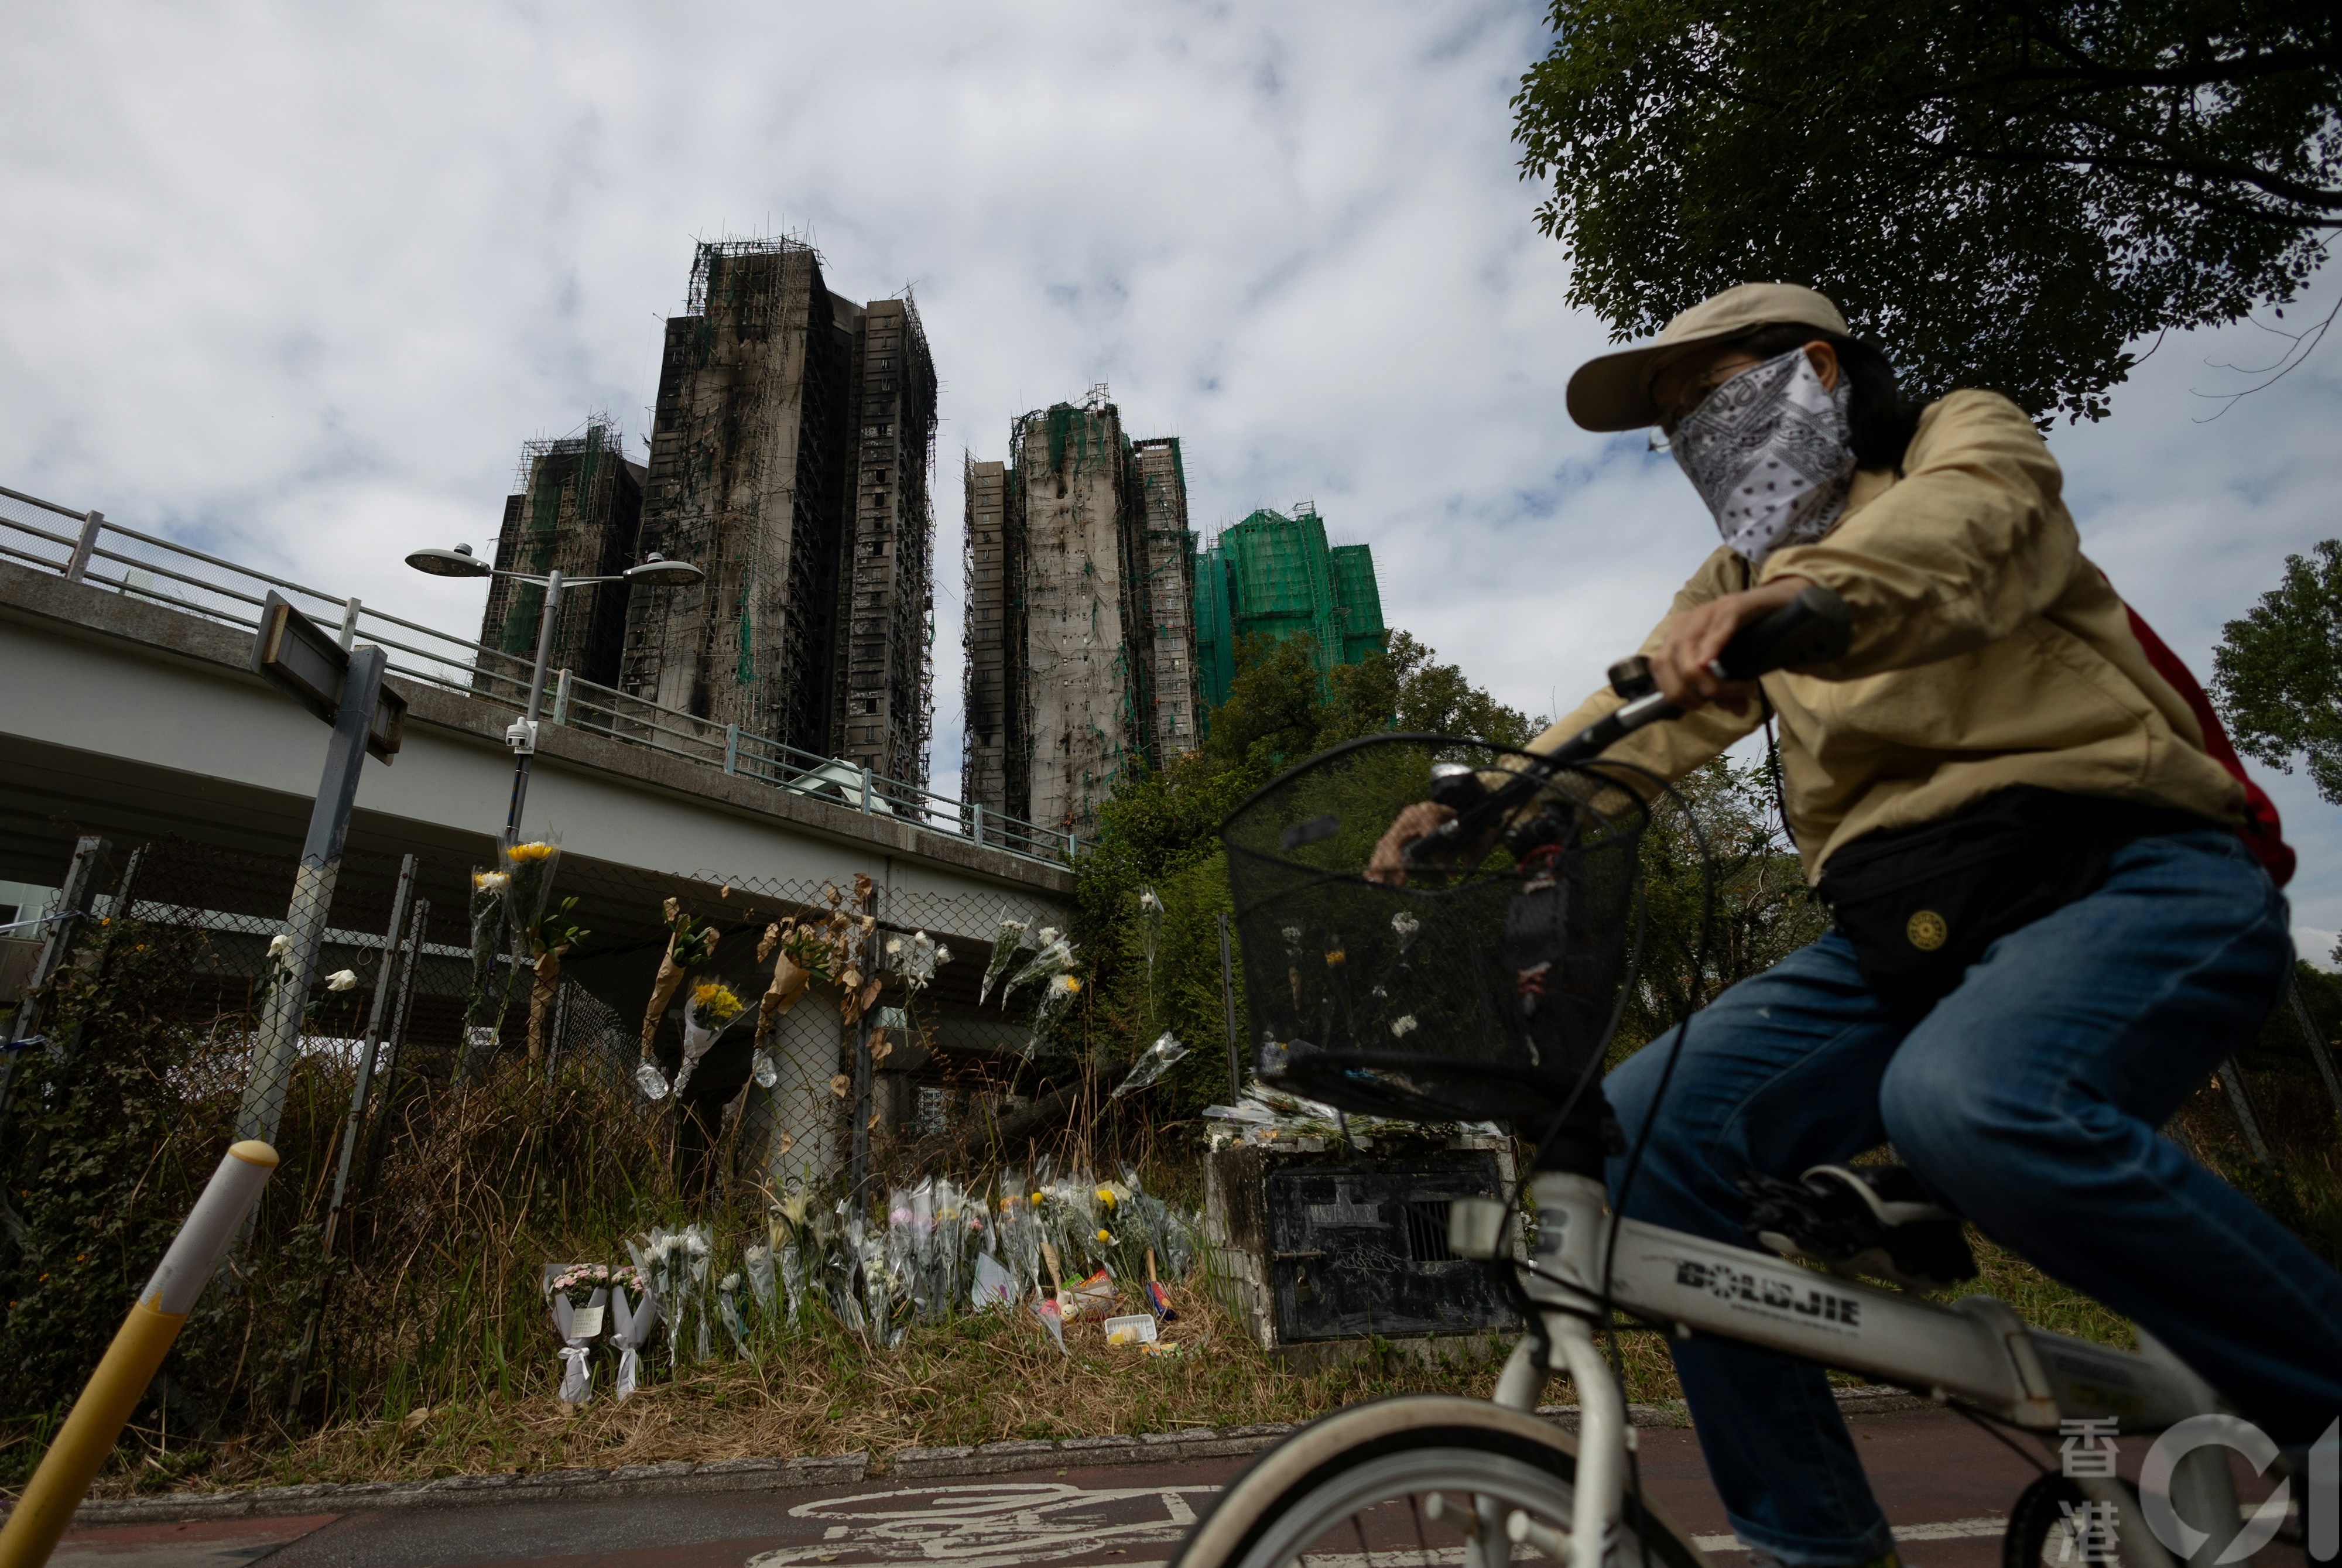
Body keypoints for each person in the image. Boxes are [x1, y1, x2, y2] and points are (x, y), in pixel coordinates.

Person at [1368, 283, 2342, 1568]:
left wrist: (1796, 602)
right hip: (1899, 938)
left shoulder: (1957, 441)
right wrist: (1486, 802)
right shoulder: (1735, 577)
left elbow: (1959, 536)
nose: (1687, 438)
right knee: (1641, 1146)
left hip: (2124, 875)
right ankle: (1814, 1545)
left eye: (1701, 396)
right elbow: (1637, 718)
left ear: (1813, 369)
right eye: (1667, 426)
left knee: (1966, 1099)